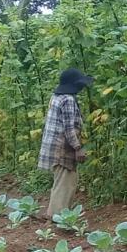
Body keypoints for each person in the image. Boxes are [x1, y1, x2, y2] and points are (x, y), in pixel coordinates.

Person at [38, 68, 93, 219]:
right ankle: (57, 217)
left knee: (62, 181)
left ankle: (56, 215)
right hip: (62, 148)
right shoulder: (68, 100)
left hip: (54, 146)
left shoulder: (56, 97)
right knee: (66, 182)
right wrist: (78, 148)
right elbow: (69, 128)